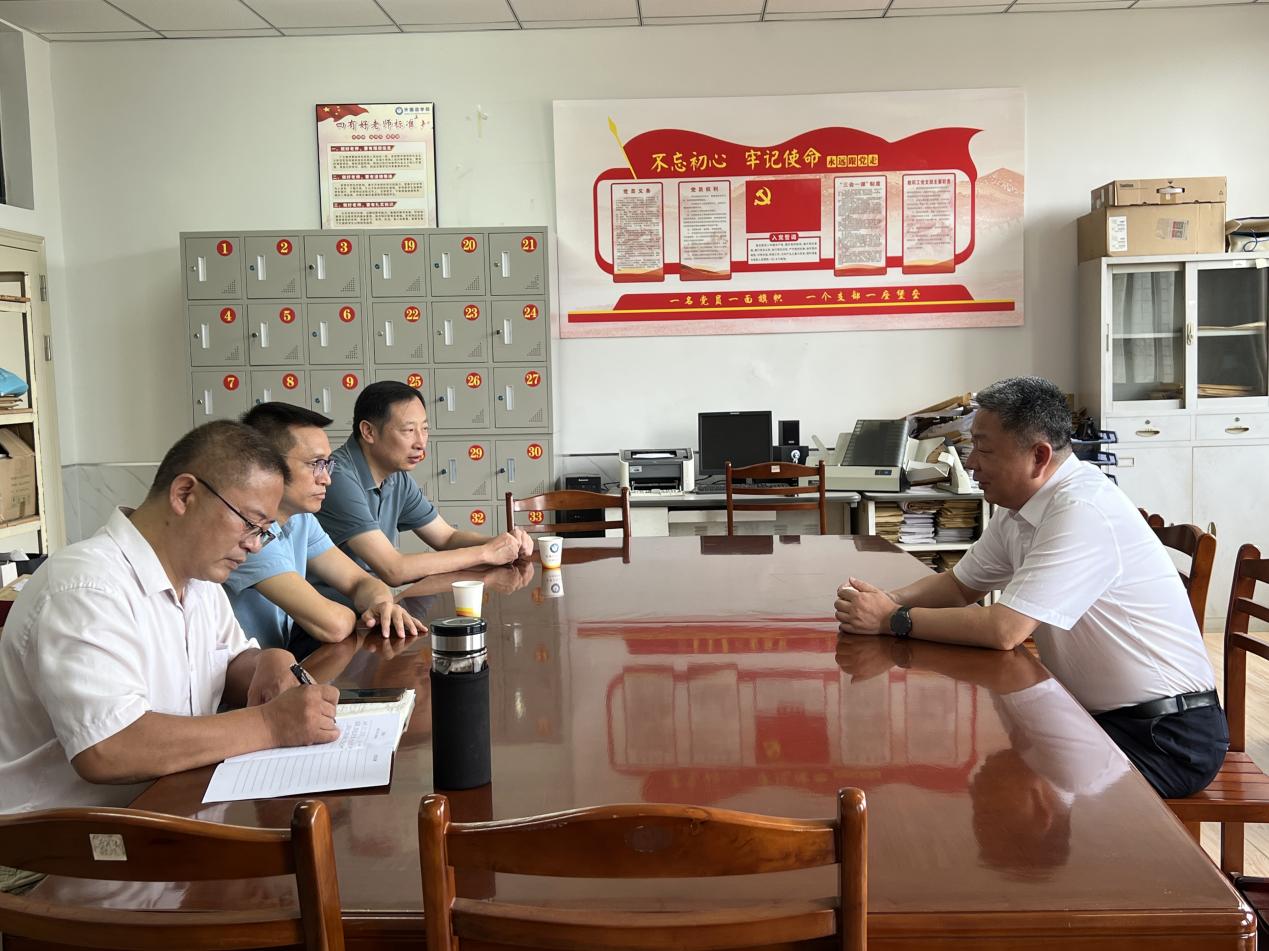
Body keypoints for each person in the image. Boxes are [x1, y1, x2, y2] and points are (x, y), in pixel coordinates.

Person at [834, 376, 1226, 798]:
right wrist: (884, 601)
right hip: (1092, 716)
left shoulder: (1082, 509)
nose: (970, 463)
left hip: (1164, 735)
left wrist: (893, 620)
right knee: (998, 776)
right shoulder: (1019, 507)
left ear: (1039, 456)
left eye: (983, 449)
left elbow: (1005, 631)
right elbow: (958, 585)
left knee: (1007, 791)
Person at [0, 420, 340, 825]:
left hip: (164, 812)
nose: (253, 544)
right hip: (55, 842)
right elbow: (109, 748)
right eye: (249, 523)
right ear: (184, 494)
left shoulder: (200, 580)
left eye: (264, 532)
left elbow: (227, 663)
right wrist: (270, 724)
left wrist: (269, 662)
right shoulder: (85, 586)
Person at [226, 402, 425, 659]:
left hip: (277, 663)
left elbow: (359, 581)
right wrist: (363, 615)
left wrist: (380, 605)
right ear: (267, 465)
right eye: (315, 464)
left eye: (327, 465)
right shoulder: (248, 531)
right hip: (238, 677)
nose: (326, 479)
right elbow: (331, 625)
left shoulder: (301, 519)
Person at [316, 381, 532, 586]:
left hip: (372, 603)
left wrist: (503, 543)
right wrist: (485, 553)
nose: (421, 443)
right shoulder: (336, 478)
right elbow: (393, 569)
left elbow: (447, 538)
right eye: (409, 430)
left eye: (425, 429)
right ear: (368, 432)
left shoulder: (396, 477)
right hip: (332, 609)